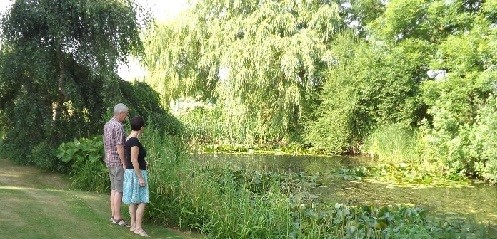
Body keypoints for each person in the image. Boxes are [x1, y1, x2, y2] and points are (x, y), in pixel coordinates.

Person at [123, 115, 150, 237]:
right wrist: (140, 177)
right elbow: (134, 160)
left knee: (133, 201)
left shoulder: (129, 138)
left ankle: (133, 225)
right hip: (136, 173)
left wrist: (144, 161)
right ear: (141, 127)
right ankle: (138, 228)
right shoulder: (134, 141)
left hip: (131, 172)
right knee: (143, 200)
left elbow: (132, 157)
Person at [103, 103, 130, 227]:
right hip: (117, 162)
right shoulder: (118, 126)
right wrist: (124, 162)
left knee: (113, 188)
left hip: (109, 160)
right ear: (120, 113)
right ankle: (118, 217)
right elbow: (119, 146)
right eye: (125, 114)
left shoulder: (107, 124)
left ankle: (113, 215)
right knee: (119, 190)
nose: (126, 116)